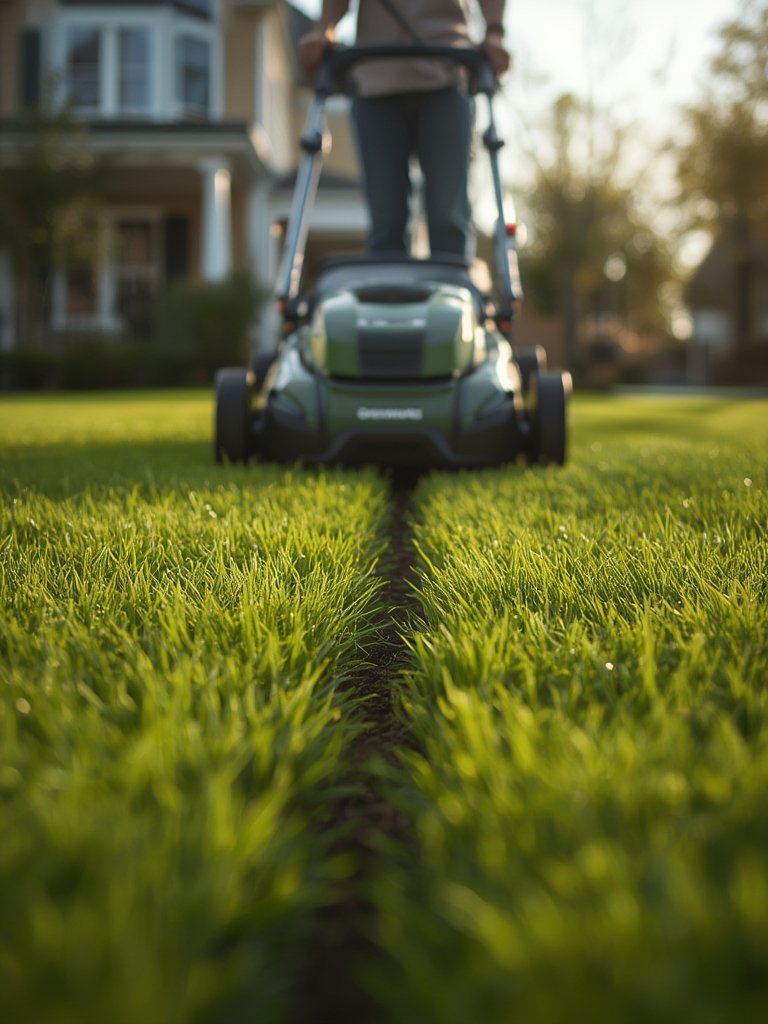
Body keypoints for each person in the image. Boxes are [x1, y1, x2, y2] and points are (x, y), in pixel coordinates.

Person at [299, 0, 510, 262]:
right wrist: (324, 28)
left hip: (447, 72)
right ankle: (388, 298)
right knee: (386, 222)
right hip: (375, 78)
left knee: (448, 218)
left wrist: (494, 32)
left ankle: (449, 297)